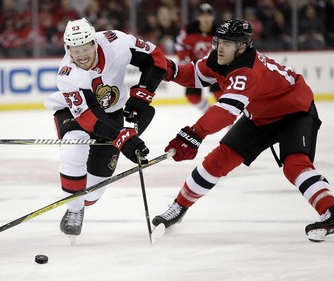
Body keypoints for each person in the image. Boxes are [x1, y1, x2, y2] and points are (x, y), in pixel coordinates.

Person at [152, 18, 334, 242]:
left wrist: (196, 133)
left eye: (227, 43)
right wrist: (169, 70)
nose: (220, 47)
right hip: (260, 116)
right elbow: (193, 74)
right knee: (216, 161)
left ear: (242, 47)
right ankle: (178, 208)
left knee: (295, 164)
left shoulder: (247, 71)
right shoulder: (219, 60)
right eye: (219, 41)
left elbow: (226, 111)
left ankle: (330, 211)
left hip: (294, 113)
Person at [44, 18, 166, 239]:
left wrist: (143, 95)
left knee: (96, 188)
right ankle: (73, 210)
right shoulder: (68, 75)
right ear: (67, 49)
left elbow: (156, 57)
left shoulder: (116, 43)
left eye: (85, 48)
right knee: (74, 147)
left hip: (113, 112)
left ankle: (80, 204)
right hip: (74, 114)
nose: (81, 55)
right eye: (75, 50)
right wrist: (122, 138)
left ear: (94, 42)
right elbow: (89, 118)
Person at [175, 3, 222, 112]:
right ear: (198, 17)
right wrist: (182, 60)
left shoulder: (220, 31)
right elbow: (180, 44)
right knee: (192, 96)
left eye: (209, 15)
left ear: (213, 17)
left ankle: (227, 116)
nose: (206, 18)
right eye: (203, 15)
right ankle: (209, 113)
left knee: (219, 94)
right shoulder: (188, 30)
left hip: (216, 67)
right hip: (196, 67)